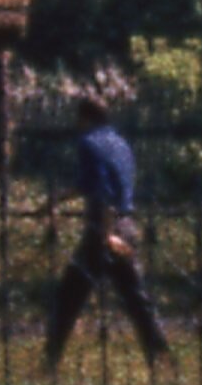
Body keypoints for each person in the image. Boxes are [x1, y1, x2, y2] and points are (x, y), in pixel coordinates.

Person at [39, 72, 168, 366]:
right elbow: (95, 183)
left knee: (68, 296)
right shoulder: (120, 143)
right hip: (127, 223)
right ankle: (159, 354)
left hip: (103, 229)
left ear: (84, 118)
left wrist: (106, 235)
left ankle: (51, 359)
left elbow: (101, 191)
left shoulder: (87, 143)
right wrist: (56, 199)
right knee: (136, 297)